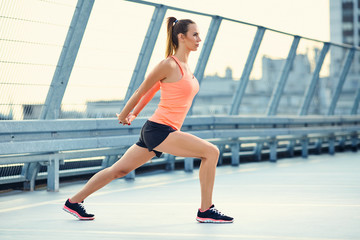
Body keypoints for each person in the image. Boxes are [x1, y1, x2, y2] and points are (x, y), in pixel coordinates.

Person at [63, 17, 233, 223]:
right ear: (181, 37)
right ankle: (206, 210)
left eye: (199, 35)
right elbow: (142, 90)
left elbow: (153, 92)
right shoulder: (169, 64)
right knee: (211, 152)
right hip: (160, 130)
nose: (199, 39)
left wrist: (135, 114)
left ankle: (74, 202)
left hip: (159, 130)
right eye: (195, 34)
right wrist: (126, 113)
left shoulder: (186, 67)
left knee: (119, 170)